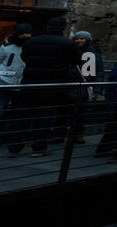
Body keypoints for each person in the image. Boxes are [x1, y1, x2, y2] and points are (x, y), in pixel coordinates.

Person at [14, 16, 83, 157]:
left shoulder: (31, 42)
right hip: (53, 85)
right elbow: (76, 60)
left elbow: (24, 57)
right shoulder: (68, 44)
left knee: (23, 116)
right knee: (45, 117)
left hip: (30, 83)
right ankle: (39, 148)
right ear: (62, 28)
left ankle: (14, 148)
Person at [0, 22, 31, 147]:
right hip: (3, 83)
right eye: (23, 33)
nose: (26, 36)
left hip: (21, 85)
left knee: (16, 113)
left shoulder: (31, 47)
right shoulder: (6, 47)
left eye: (28, 33)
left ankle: (11, 138)